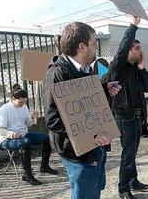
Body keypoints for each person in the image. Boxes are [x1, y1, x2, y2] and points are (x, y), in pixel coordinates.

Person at [43, 22, 121, 199]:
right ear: (82, 47)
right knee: (85, 194)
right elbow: (53, 119)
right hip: (77, 152)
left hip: (95, 146)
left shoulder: (84, 69)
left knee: (94, 190)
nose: (96, 48)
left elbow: (82, 100)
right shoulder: (57, 74)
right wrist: (88, 136)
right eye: (94, 43)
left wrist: (103, 89)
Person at [108, 16, 148, 199]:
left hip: (137, 117)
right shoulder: (119, 66)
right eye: (137, 48)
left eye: (140, 48)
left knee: (133, 152)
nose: (140, 51)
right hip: (124, 117)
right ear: (128, 51)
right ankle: (123, 188)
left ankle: (133, 180)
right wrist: (133, 25)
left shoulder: (136, 68)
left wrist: (143, 68)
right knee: (128, 154)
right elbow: (122, 48)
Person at [0, 83, 58, 186]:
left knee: (47, 138)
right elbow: (0, 130)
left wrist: (33, 118)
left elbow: (28, 124)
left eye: (24, 102)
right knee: (26, 143)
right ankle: (27, 175)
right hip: (6, 139)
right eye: (20, 102)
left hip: (23, 135)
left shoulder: (24, 107)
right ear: (13, 98)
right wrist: (12, 134)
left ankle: (44, 166)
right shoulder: (4, 110)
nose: (22, 104)